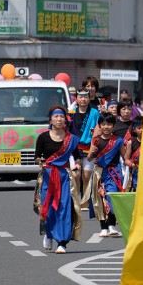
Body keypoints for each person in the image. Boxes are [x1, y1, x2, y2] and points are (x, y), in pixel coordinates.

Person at [35, 106, 83, 254]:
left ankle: (62, 242)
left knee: (64, 208)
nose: (59, 119)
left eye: (62, 116)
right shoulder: (43, 137)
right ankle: (49, 234)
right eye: (56, 116)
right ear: (50, 119)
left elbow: (78, 157)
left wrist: (77, 166)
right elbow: (37, 156)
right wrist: (40, 162)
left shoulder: (71, 139)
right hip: (48, 175)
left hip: (64, 176)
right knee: (48, 208)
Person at [86, 113, 126, 237]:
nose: (106, 127)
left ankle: (112, 225)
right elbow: (89, 158)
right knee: (99, 200)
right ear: (99, 126)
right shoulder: (95, 140)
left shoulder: (118, 141)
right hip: (99, 173)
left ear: (113, 126)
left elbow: (125, 157)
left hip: (113, 173)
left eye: (109, 124)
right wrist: (92, 153)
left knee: (111, 198)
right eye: (103, 124)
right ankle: (103, 227)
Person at [67, 88, 101, 201]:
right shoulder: (71, 113)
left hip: (89, 148)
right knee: (76, 174)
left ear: (88, 98)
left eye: (85, 97)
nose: (83, 99)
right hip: (74, 149)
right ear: (76, 98)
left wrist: (94, 147)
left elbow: (98, 131)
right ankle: (76, 197)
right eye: (80, 97)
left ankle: (85, 200)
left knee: (86, 176)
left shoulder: (95, 113)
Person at [124, 115, 143, 191]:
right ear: (134, 129)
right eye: (139, 128)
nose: (142, 130)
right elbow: (126, 160)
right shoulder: (131, 143)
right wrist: (132, 165)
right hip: (136, 172)